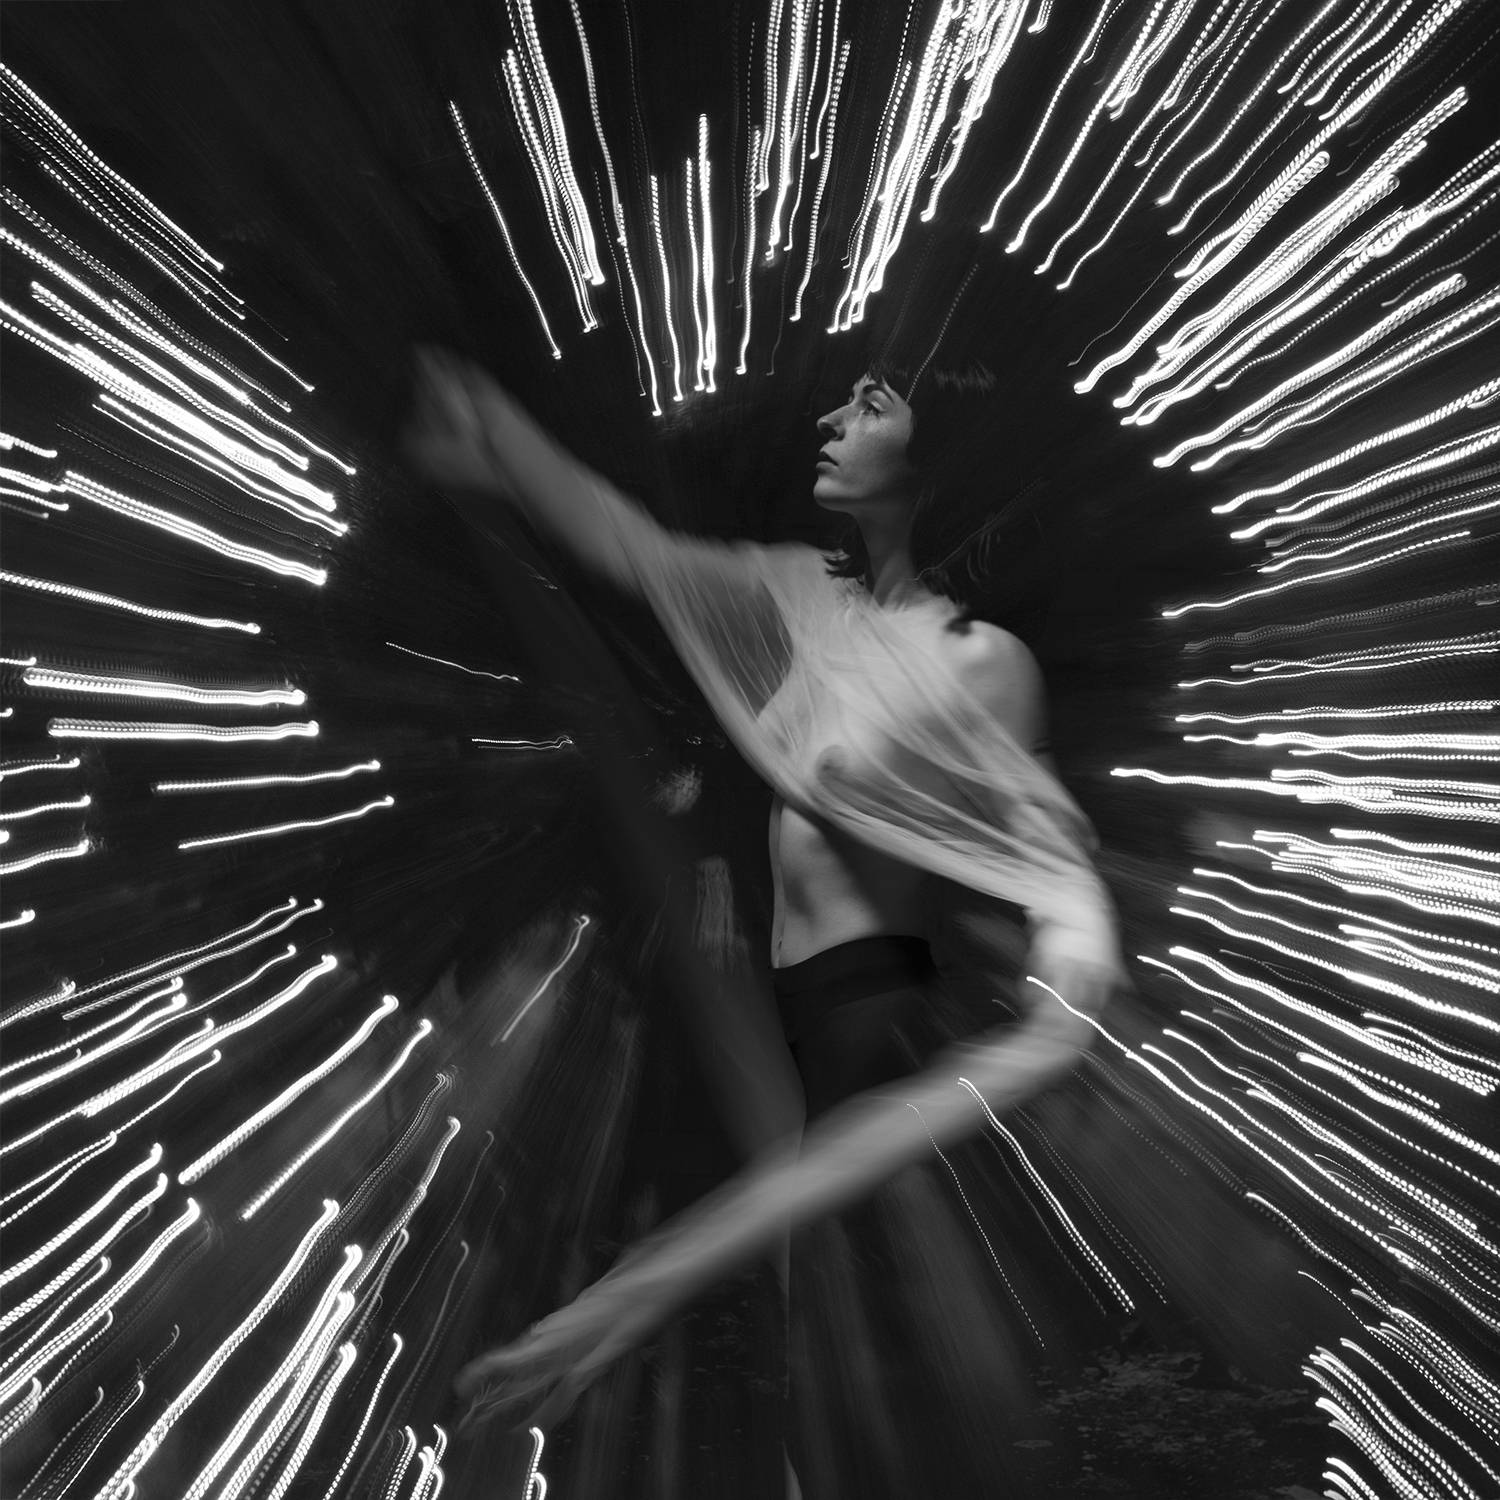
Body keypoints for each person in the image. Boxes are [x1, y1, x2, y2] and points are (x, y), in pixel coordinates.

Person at [407, 348, 1126, 1495]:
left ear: (933, 465)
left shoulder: (983, 665)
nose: (835, 418)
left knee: (862, 1415)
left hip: (870, 1024)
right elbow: (635, 545)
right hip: (768, 1018)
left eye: (873, 405)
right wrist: (496, 425)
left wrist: (1076, 926)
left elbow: (1043, 841)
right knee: (773, 1408)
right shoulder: (798, 594)